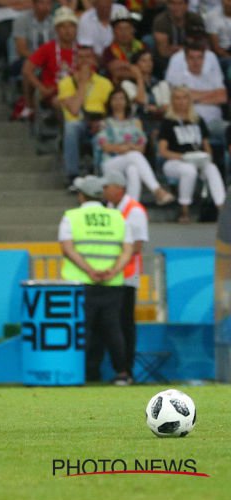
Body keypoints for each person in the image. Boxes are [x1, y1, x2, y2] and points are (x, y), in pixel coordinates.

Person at [58, 175, 134, 385]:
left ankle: (79, 373)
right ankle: (122, 373)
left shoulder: (71, 216)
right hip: (113, 283)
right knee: (113, 329)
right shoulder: (118, 217)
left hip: (80, 283)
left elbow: (67, 247)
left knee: (82, 329)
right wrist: (112, 271)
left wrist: (90, 270)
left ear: (82, 196)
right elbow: (128, 250)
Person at [101, 171, 148, 386]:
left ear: (118, 188)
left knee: (125, 324)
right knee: (114, 324)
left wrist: (115, 261)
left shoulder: (135, 211)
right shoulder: (111, 209)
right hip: (114, 276)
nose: (103, 191)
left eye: (106, 187)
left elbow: (137, 245)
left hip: (128, 276)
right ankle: (120, 370)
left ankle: (126, 371)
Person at [95, 88, 176, 204]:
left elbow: (141, 148)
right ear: (110, 102)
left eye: (121, 98)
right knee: (134, 155)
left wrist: (126, 148)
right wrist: (125, 148)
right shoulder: (105, 123)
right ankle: (157, 190)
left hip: (131, 158)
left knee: (133, 169)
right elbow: (105, 147)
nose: (118, 102)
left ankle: (132, 205)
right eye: (115, 99)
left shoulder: (135, 122)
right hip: (110, 162)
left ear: (127, 102)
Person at [158, 86, 226, 223]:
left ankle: (223, 209)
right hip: (175, 162)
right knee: (188, 170)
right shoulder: (168, 122)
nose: (181, 101)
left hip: (198, 160)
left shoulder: (198, 120)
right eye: (177, 98)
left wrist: (206, 158)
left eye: (184, 98)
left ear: (189, 100)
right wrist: (182, 157)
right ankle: (184, 210)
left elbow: (206, 147)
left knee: (211, 168)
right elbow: (163, 151)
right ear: (172, 101)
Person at [57, 44, 113, 187]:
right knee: (70, 127)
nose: (84, 61)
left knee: (103, 134)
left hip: (99, 122)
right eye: (80, 57)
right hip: (78, 125)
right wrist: (82, 83)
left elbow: (112, 111)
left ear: (94, 60)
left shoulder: (105, 83)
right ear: (75, 60)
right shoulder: (65, 83)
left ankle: (100, 176)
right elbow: (74, 110)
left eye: (87, 57)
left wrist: (101, 123)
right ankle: (73, 176)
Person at [165, 40, 228, 144]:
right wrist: (213, 93)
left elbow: (223, 97)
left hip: (214, 122)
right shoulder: (179, 78)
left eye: (199, 57)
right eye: (192, 58)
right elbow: (181, 100)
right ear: (186, 59)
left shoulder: (212, 76)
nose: (196, 61)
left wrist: (193, 98)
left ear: (204, 59)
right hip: (191, 123)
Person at [152, 0, 205, 76]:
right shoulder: (160, 21)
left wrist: (175, 48)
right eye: (173, 3)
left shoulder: (196, 20)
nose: (176, 7)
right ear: (168, 5)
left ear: (186, 6)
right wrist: (187, 48)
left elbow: (201, 46)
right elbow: (164, 52)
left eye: (180, 4)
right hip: (166, 61)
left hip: (193, 58)